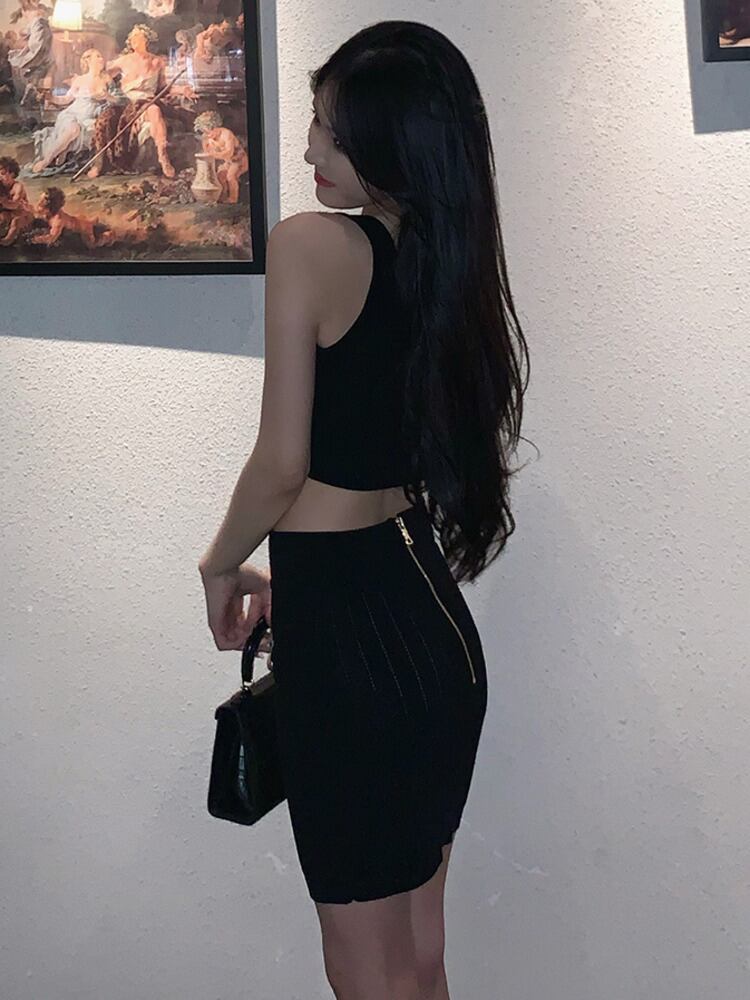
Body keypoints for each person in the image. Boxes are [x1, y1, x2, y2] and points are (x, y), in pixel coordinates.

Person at [198, 20, 530, 1000]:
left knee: (366, 972)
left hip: (350, 650)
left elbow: (282, 465)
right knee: (418, 960)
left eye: (333, 132)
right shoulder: (442, 256)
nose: (310, 148)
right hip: (428, 627)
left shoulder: (310, 244)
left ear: (391, 143)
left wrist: (218, 563)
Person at [87, 23, 196, 179]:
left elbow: (164, 88)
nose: (133, 41)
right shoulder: (123, 61)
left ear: (146, 40)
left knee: (154, 110)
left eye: (137, 37)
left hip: (147, 100)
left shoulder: (157, 62)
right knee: (104, 120)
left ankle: (163, 156)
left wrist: (182, 90)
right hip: (126, 103)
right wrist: (101, 86)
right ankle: (98, 163)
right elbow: (102, 76)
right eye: (132, 38)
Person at [30, 48, 111, 175]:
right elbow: (66, 99)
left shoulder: (106, 79)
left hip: (89, 118)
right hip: (73, 114)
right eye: (98, 56)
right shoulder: (80, 80)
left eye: (101, 56)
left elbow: (115, 98)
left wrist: (107, 96)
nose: (101, 59)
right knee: (73, 129)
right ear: (88, 60)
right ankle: (47, 160)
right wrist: (50, 98)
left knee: (88, 130)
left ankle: (63, 150)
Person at [8, 0, 53, 108]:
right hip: (38, 41)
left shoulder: (40, 17)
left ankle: (36, 97)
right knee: (37, 68)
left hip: (41, 42)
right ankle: (30, 96)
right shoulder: (36, 19)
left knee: (41, 67)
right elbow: (29, 34)